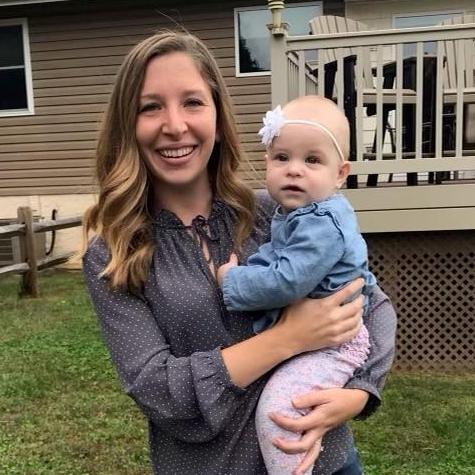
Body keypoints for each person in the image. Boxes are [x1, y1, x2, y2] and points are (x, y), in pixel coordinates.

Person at [81, 31, 396, 475]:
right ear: (127, 124)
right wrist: (289, 338)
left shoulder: (277, 212)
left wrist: (358, 393)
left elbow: (371, 303)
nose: (175, 125)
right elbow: (159, 390)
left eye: (192, 102)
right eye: (150, 107)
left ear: (217, 115)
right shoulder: (114, 254)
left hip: (326, 463)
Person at [217, 95, 376, 474]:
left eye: (312, 160)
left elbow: (286, 281)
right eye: (282, 157)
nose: (294, 170)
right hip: (322, 338)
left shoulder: (322, 223)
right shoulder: (298, 213)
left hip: (334, 343)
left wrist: (231, 281)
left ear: (340, 173)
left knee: (281, 410)